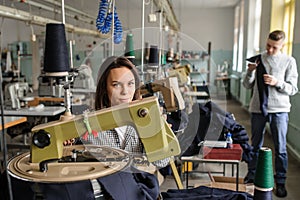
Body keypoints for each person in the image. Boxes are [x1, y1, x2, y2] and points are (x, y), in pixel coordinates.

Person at [243, 30, 298, 198]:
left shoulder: (289, 61)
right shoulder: (259, 58)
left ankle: (280, 182)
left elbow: (293, 89)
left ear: (282, 46)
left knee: (280, 147)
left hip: (279, 110)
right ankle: (252, 174)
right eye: (268, 45)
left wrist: (277, 82)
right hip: (258, 109)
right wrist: (251, 72)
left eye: (274, 47)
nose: (270, 50)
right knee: (256, 144)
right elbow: (247, 85)